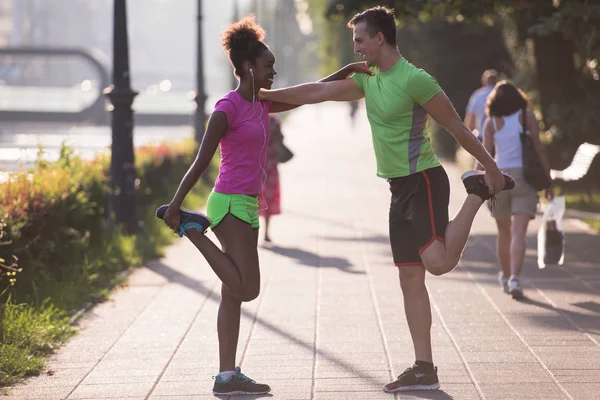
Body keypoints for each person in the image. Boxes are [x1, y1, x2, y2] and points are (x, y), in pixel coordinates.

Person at [260, 6, 514, 393]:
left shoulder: (416, 80)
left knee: (437, 264)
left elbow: (457, 128)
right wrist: (262, 97)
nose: (357, 48)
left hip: (425, 180)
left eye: (360, 40)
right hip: (397, 188)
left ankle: (476, 195)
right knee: (410, 277)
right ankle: (424, 367)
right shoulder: (368, 81)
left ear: (381, 37)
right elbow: (318, 91)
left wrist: (491, 169)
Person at [156, 15, 372, 396]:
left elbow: (309, 92)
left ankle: (226, 378)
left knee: (231, 291)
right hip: (228, 205)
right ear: (247, 68)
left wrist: (347, 70)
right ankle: (192, 229)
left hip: (247, 204)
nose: (275, 72)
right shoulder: (228, 108)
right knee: (247, 289)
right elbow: (201, 161)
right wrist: (176, 205)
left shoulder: (261, 103)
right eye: (268, 67)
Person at [480, 81, 553, 299]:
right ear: (518, 98)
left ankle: (504, 275)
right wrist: (549, 182)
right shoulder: (526, 117)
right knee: (519, 232)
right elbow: (538, 150)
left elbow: (485, 155)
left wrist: (477, 180)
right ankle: (515, 279)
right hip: (524, 178)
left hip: (499, 179)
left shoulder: (490, 123)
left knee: (504, 232)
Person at [259, 115, 284, 243]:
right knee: (266, 200)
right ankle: (265, 232)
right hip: (266, 166)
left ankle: (263, 232)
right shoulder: (274, 121)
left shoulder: (255, 119)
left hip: (260, 166)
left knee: (256, 200)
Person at [464, 69, 498, 141]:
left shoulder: (477, 95)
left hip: (482, 135)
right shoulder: (500, 94)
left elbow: (470, 117)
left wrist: (467, 136)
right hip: (499, 135)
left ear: (484, 81)